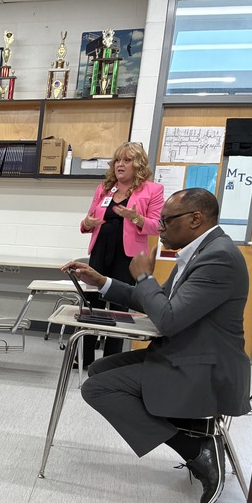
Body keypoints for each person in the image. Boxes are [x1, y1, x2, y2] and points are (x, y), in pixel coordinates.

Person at [64, 188, 250, 503]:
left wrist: (145, 276)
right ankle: (195, 430)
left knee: (97, 388)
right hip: (188, 353)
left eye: (165, 222)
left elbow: (167, 319)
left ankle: (197, 449)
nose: (159, 229)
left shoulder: (218, 258)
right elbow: (156, 301)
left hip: (206, 368)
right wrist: (103, 282)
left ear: (195, 219)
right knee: (99, 370)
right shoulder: (198, 252)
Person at [79, 142, 164, 365]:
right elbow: (87, 221)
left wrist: (135, 217)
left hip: (127, 256)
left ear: (138, 164)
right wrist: (87, 222)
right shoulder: (105, 189)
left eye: (127, 160)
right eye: (118, 160)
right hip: (100, 251)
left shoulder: (152, 190)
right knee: (92, 304)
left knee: (119, 306)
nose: (120, 165)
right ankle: (85, 357)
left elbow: (157, 225)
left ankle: (110, 360)